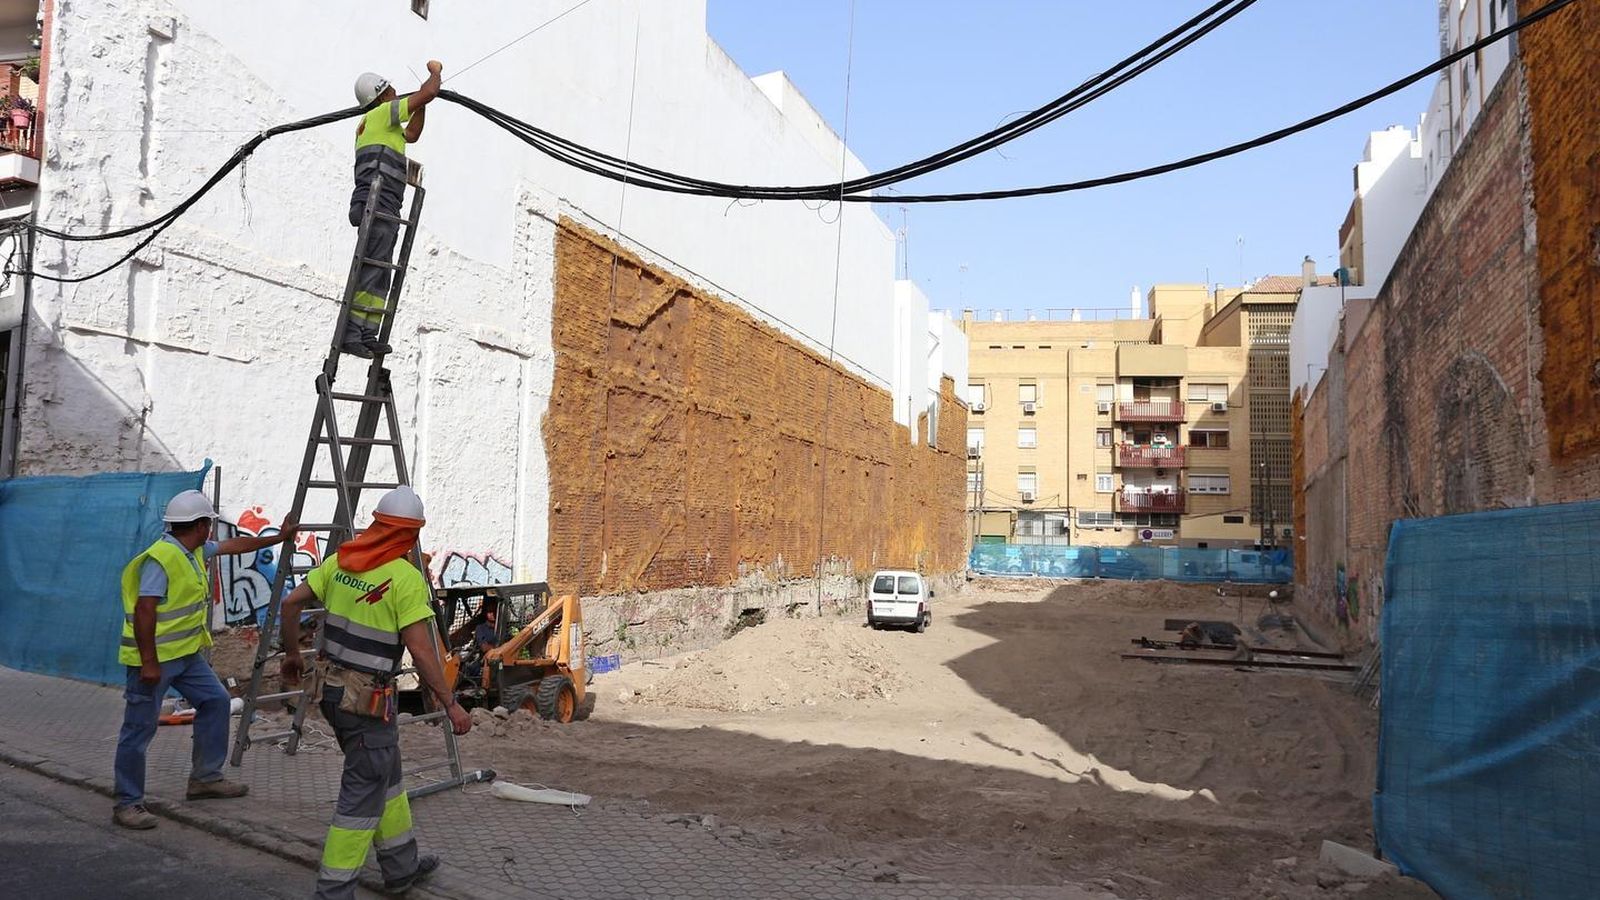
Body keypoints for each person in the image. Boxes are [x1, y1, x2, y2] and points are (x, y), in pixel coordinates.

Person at [279, 486, 470, 899]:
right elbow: (421, 650)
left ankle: (401, 870)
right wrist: (451, 704)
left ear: (376, 523)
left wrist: (292, 654)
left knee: (388, 779)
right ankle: (333, 890)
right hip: (367, 705)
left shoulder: (340, 561)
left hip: (331, 694)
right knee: (359, 805)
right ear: (411, 536)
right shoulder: (404, 579)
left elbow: (291, 604)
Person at [114, 490, 298, 830]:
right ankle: (128, 802)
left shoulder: (191, 551)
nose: (211, 531)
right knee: (138, 730)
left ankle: (205, 779)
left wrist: (279, 537)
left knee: (215, 701)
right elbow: (144, 611)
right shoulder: (163, 558)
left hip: (185, 656)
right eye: (208, 524)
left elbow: (232, 547)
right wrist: (150, 662)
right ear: (199, 526)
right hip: (155, 661)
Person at [340, 62, 443, 359]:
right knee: (372, 269)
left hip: (384, 206)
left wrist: (421, 104)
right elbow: (430, 92)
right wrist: (434, 73)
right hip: (377, 202)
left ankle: (368, 333)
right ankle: (351, 334)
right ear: (382, 94)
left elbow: (412, 134)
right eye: (392, 89)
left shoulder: (383, 124)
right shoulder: (382, 113)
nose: (397, 91)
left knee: (381, 272)